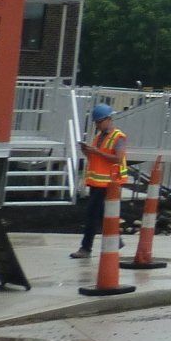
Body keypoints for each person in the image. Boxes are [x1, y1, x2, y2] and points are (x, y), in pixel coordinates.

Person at [70, 104, 129, 260]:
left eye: (99, 122)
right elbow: (97, 158)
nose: (97, 125)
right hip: (98, 183)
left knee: (92, 215)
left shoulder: (119, 137)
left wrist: (97, 152)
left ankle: (85, 248)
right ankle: (116, 241)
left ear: (109, 119)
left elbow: (118, 158)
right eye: (96, 122)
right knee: (103, 214)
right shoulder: (99, 137)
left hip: (109, 183)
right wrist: (88, 152)